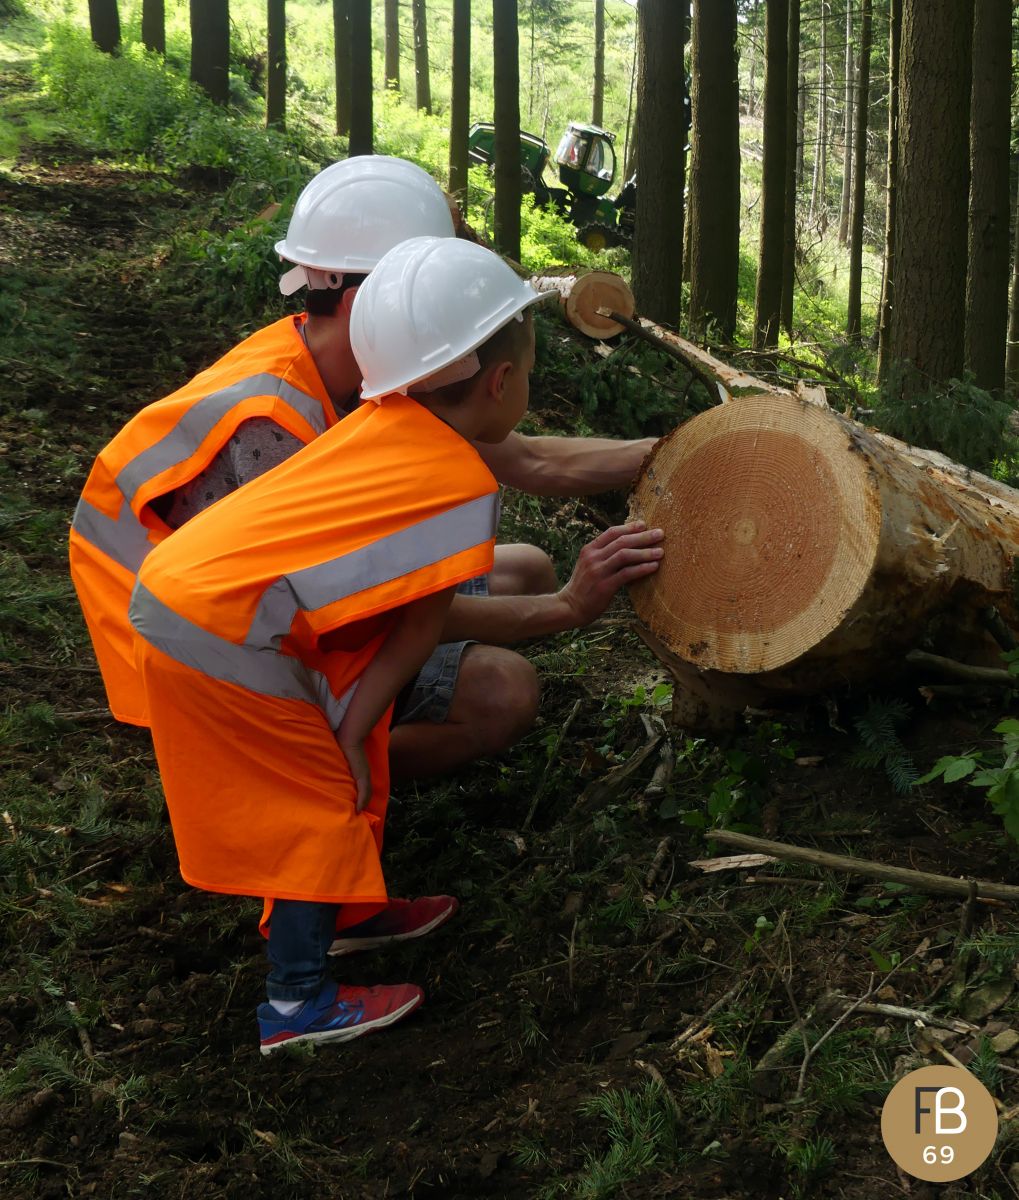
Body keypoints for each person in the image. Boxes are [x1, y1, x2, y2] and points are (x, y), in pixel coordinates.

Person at [70, 153, 663, 783]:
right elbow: (384, 614)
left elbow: (530, 458)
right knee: (505, 691)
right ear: (362, 297)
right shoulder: (270, 429)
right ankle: (307, 766)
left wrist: (680, 448)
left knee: (526, 570)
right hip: (220, 660)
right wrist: (568, 607)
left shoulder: (388, 367)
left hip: (273, 608)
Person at [128, 238, 555, 1052]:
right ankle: (296, 1003)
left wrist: (361, 732)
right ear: (500, 383)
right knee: (315, 796)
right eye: (528, 378)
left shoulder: (385, 418)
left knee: (352, 766)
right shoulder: (459, 481)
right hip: (220, 628)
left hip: (204, 598)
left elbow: (399, 624)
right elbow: (422, 625)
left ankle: (350, 912)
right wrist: (352, 733)